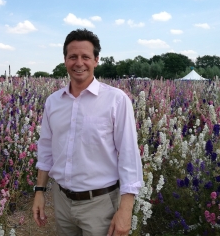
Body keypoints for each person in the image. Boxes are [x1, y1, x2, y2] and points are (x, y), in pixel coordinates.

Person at [32, 29, 143, 236]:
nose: (79, 63)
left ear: (96, 60)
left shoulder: (116, 100)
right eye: (73, 57)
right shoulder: (53, 102)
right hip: (62, 200)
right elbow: (46, 148)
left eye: (85, 57)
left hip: (100, 204)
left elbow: (129, 155)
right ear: (65, 60)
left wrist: (125, 210)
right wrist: (39, 191)